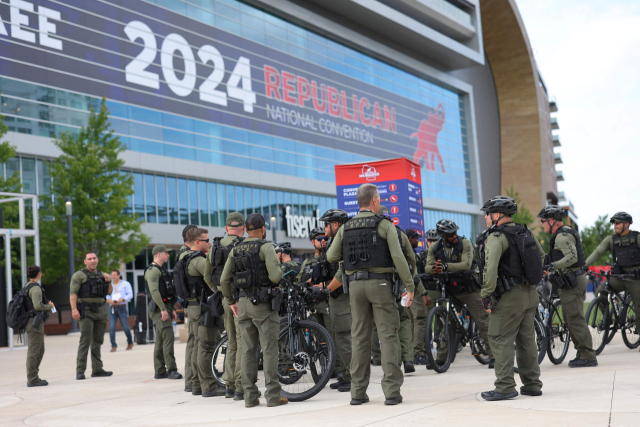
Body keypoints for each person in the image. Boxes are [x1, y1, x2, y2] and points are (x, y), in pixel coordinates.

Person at [326, 184, 414, 406]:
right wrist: (410, 286)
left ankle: (357, 392)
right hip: (381, 284)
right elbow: (398, 257)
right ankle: (392, 392)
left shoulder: (346, 227)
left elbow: (330, 256)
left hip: (355, 287)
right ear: (375, 200)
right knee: (388, 336)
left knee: (359, 338)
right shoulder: (384, 224)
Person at [219, 213, 288, 407]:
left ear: (246, 229)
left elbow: (224, 280)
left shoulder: (236, 248)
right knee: (269, 350)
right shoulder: (265, 246)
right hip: (263, 305)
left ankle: (250, 397)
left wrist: (231, 300)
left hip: (242, 304)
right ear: (263, 228)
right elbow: (275, 277)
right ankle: (273, 396)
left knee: (248, 351)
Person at [478, 196, 544, 401]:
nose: (486, 218)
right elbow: (541, 257)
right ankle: (532, 384)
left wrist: (486, 294)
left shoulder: (496, 237)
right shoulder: (525, 231)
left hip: (509, 297)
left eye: (487, 214)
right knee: (526, 340)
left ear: (497, 215)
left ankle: (505, 387)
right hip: (530, 293)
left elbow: (489, 271)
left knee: (499, 338)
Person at [425, 219, 494, 369]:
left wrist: (445, 266)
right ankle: (442, 359)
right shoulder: (435, 247)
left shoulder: (465, 243)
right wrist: (435, 269)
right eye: (450, 234)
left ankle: (494, 356)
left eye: (455, 232)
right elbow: (427, 267)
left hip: (469, 289)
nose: (454, 235)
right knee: (447, 325)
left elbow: (466, 264)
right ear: (442, 236)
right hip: (451, 291)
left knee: (483, 322)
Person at [538, 206, 598, 367]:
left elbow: (572, 257)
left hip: (573, 282)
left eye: (543, 221)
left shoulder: (562, 237)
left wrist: (553, 266)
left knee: (575, 319)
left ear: (551, 221)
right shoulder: (563, 233)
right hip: (571, 281)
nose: (542, 225)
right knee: (571, 319)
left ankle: (588, 355)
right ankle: (582, 353)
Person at [203, 212, 246, 400]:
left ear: (226, 227)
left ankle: (229, 384)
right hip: (240, 299)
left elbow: (207, 276)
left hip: (223, 298)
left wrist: (219, 291)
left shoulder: (214, 247)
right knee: (244, 342)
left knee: (231, 342)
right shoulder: (244, 245)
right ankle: (239, 386)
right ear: (243, 228)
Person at [179, 227, 224, 397]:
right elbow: (214, 277)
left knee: (198, 346)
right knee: (206, 346)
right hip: (202, 308)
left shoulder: (185, 258)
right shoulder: (197, 260)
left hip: (193, 307)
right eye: (206, 240)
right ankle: (209, 386)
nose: (209, 243)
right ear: (197, 243)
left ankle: (197, 384)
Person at [585, 211, 640, 345]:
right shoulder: (611, 239)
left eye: (617, 222)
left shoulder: (636, 237)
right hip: (619, 278)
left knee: (638, 305)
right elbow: (598, 252)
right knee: (600, 291)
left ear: (626, 224)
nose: (615, 225)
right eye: (614, 223)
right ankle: (607, 320)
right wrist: (584, 265)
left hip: (635, 278)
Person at [297, 227, 343, 386]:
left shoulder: (329, 256)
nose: (323, 240)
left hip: (327, 300)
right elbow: (301, 279)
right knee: (319, 339)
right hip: (312, 303)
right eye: (319, 239)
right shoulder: (307, 262)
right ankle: (326, 369)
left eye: (324, 238)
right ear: (312, 242)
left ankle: (337, 368)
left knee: (332, 334)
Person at [319, 209, 353, 392]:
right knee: (340, 337)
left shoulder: (344, 240)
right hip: (335, 296)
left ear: (336, 225)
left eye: (327, 224)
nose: (324, 228)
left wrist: (326, 290)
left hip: (342, 296)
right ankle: (346, 374)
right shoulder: (333, 242)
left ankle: (352, 377)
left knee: (345, 337)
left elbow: (342, 270)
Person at [70, 252, 113, 380]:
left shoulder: (102, 274)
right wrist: (74, 310)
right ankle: (80, 370)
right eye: (89, 259)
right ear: (85, 261)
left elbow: (109, 291)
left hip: (101, 311)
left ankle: (97, 369)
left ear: (97, 260)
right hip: (86, 311)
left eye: (94, 258)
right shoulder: (79, 275)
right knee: (85, 340)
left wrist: (108, 280)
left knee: (98, 341)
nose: (92, 261)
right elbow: (73, 293)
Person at [145, 245, 182, 380]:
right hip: (159, 309)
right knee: (168, 339)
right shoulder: (153, 271)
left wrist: (170, 310)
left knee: (161, 340)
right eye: (166, 253)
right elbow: (154, 292)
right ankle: (172, 369)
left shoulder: (161, 270)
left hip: (165, 307)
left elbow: (167, 292)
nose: (168, 255)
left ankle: (160, 370)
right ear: (158, 254)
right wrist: (162, 310)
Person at [410, 229, 438, 365]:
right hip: (421, 291)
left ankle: (417, 352)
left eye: (435, 240)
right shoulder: (420, 256)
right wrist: (423, 293)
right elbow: (417, 276)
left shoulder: (440, 254)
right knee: (420, 321)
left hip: (433, 290)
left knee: (417, 322)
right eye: (430, 240)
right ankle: (417, 353)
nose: (432, 243)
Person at [24, 265, 54, 387]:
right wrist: (49, 306)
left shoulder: (27, 286)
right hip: (34, 323)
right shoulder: (35, 288)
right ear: (39, 274)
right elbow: (37, 306)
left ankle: (34, 376)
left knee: (39, 349)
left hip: (31, 322)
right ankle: (32, 379)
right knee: (34, 351)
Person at [179, 224, 197, 392]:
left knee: (193, 341)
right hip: (193, 303)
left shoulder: (182, 253)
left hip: (189, 302)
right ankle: (191, 380)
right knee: (194, 341)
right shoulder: (187, 255)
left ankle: (192, 380)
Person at [106, 270, 134, 352]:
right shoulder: (110, 285)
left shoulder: (126, 284)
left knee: (125, 327)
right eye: (112, 275)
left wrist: (123, 299)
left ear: (119, 276)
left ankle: (130, 342)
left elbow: (130, 295)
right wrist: (110, 301)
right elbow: (107, 296)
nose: (113, 277)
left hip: (122, 307)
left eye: (114, 275)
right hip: (113, 308)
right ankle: (113, 345)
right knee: (111, 327)